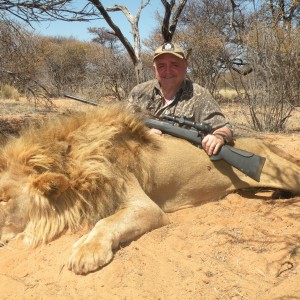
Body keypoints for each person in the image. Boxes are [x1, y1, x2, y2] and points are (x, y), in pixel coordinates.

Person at [127, 42, 233, 156]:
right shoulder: (139, 92)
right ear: (155, 68)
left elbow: (224, 128)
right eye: (161, 66)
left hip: (184, 164)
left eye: (174, 65)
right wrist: (144, 135)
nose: (168, 71)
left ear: (186, 65)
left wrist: (218, 137)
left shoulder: (199, 95)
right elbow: (123, 125)